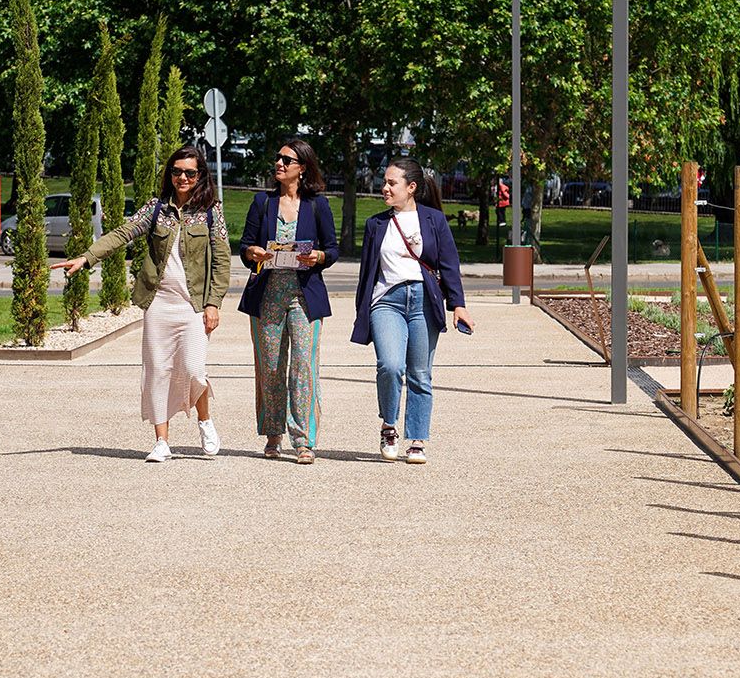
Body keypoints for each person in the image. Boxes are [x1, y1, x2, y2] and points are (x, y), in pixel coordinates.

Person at [53, 146, 231, 462]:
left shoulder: (210, 211)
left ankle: (204, 419)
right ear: (170, 174)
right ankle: (162, 442)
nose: (183, 178)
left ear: (200, 175)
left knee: (194, 369)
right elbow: (124, 233)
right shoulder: (156, 208)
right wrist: (87, 256)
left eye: (190, 172)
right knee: (157, 372)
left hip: (194, 305)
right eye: (177, 171)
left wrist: (214, 303)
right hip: (159, 303)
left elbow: (221, 259)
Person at [351, 157, 474, 464]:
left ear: (412, 187)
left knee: (420, 373)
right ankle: (389, 425)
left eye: (392, 183)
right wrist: (362, 312)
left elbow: (449, 264)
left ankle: (417, 438)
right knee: (390, 366)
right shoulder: (375, 224)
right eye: (385, 182)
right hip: (387, 302)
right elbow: (368, 273)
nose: (385, 188)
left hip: (423, 301)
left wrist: (457, 305)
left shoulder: (433, 220)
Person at [239, 139, 339, 463]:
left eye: (287, 159)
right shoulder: (262, 203)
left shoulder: (317, 205)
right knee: (270, 367)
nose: (279, 164)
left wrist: (319, 256)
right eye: (278, 158)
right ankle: (272, 434)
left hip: (304, 296)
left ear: (302, 168)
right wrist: (252, 253)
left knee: (303, 367)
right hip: (267, 296)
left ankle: (303, 439)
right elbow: (245, 247)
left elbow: (333, 250)